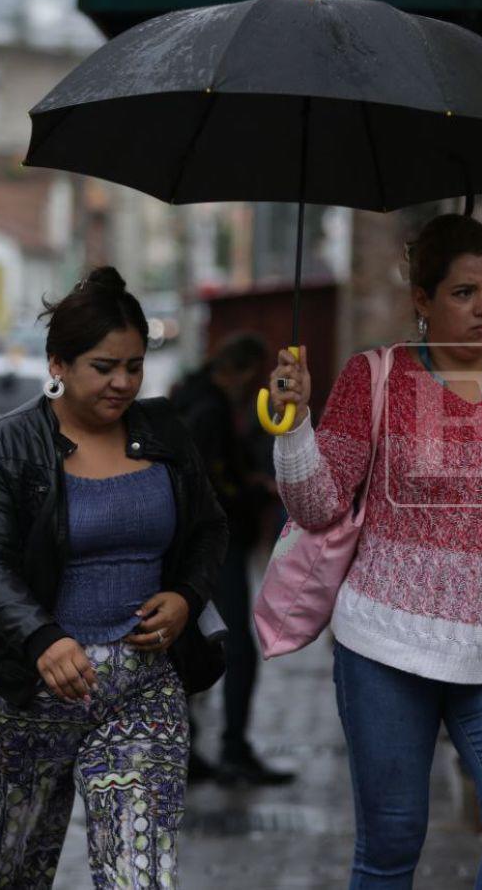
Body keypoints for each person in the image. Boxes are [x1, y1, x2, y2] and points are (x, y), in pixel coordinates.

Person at [268, 213, 482, 889]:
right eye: (464, 293)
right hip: (385, 643)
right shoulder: (375, 376)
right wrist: (294, 428)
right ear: (422, 301)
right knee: (392, 844)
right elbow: (318, 506)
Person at [0, 267, 227, 889]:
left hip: (142, 688)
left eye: (134, 365)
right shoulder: (9, 445)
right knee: (4, 872)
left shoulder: (165, 432)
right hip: (25, 690)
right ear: (59, 363)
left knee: (140, 878)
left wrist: (186, 598)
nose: (123, 382)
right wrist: (42, 639)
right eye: (104, 366)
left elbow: (211, 529)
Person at [171, 332, 293, 785]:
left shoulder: (191, 396)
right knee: (236, 646)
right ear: (237, 371)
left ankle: (189, 748)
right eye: (252, 376)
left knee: (191, 643)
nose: (254, 387)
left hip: (192, 546)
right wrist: (251, 491)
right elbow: (211, 480)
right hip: (213, 545)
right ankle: (233, 748)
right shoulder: (210, 409)